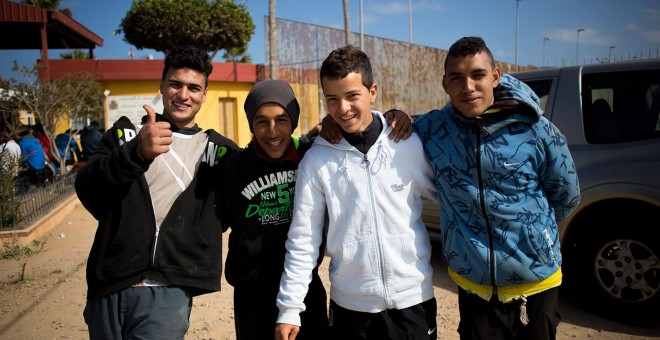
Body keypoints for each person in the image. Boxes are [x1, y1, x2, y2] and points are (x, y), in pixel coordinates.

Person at [413, 36, 581, 339]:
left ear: (495, 76)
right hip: (474, 279)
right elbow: (381, 131)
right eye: (457, 78)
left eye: (477, 75)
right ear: (444, 83)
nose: (468, 87)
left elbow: (566, 194)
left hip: (537, 275)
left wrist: (534, 233)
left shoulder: (537, 129)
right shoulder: (432, 130)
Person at [75, 45, 240, 339]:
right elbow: (89, 191)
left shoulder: (221, 151)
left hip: (169, 291)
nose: (183, 94)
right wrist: (136, 152)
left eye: (193, 88)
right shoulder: (125, 134)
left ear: (204, 94)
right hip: (109, 283)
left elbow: (246, 193)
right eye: (175, 84)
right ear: (162, 86)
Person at [275, 44, 438, 340]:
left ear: (372, 91)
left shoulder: (408, 143)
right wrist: (289, 307)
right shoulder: (316, 160)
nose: (343, 108)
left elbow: (450, 199)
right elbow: (303, 238)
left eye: (352, 96)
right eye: (332, 99)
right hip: (350, 309)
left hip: (413, 303)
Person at [222, 79, 329, 340]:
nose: (272, 131)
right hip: (253, 296)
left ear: (293, 121)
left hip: (305, 290)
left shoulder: (310, 158)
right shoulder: (233, 168)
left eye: (281, 119)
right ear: (251, 125)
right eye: (261, 121)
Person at [16, 127, 47, 191]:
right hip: (42, 167)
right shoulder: (35, 140)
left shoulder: (23, 143)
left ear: (18, 135)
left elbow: (22, 158)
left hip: (34, 169)